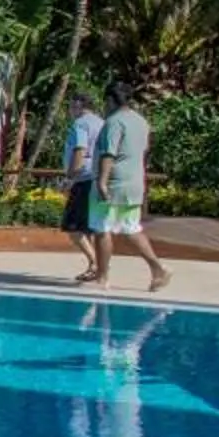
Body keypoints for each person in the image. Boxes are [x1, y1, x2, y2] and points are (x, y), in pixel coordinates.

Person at [93, 79, 171, 293]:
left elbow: (109, 153)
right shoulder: (141, 121)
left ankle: (102, 278)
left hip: (114, 183)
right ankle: (158, 268)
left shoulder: (114, 122)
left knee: (102, 228)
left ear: (110, 100)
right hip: (134, 182)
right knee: (130, 228)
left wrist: (101, 181)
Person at [59, 89, 106, 283]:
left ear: (79, 106)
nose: (70, 110)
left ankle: (95, 264)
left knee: (72, 227)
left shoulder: (81, 124)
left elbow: (80, 151)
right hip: (97, 178)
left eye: (71, 106)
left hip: (83, 179)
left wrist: (69, 178)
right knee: (90, 227)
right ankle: (96, 264)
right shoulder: (101, 123)